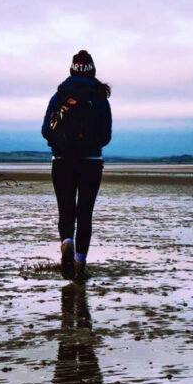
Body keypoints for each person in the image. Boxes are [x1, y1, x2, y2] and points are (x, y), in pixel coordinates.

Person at [41, 50, 112, 281]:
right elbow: (106, 135)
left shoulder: (59, 94)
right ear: (92, 70)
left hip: (61, 161)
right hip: (90, 163)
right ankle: (80, 266)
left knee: (66, 210)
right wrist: (89, 145)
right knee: (85, 214)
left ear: (72, 69)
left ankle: (66, 243)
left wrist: (60, 145)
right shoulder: (100, 96)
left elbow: (45, 129)